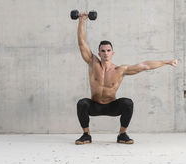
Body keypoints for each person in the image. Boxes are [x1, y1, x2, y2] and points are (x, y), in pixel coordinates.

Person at [75, 12, 178, 145]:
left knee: (127, 103)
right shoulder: (92, 63)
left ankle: (122, 134)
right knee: (82, 103)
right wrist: (81, 20)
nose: (105, 53)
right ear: (99, 52)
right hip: (94, 106)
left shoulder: (120, 70)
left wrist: (166, 62)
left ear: (113, 52)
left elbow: (145, 66)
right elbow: (82, 43)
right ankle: (86, 135)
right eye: (103, 51)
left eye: (108, 50)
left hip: (112, 106)